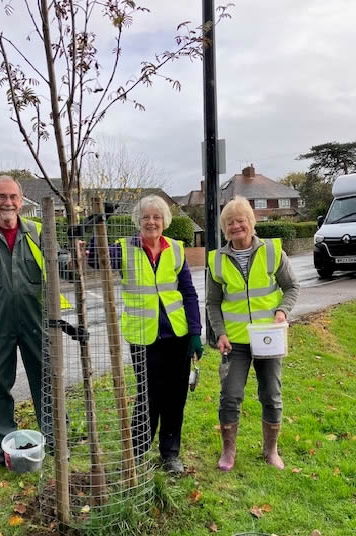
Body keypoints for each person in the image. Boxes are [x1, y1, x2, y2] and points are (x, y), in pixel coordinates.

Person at [0, 175, 74, 466]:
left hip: (36, 320)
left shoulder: (38, 231)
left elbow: (60, 261)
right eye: (2, 197)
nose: (8, 202)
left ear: (22, 202)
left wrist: (73, 260)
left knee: (47, 379)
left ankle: (57, 435)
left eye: (13, 197)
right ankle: (2, 443)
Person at [83, 195, 202, 474]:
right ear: (138, 221)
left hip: (177, 334)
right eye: (146, 217)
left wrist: (195, 332)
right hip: (143, 336)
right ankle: (138, 451)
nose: (151, 221)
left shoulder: (175, 249)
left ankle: (170, 454)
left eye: (157, 217)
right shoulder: (125, 248)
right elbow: (94, 259)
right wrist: (98, 225)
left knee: (176, 396)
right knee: (149, 395)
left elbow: (188, 293)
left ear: (164, 221)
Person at [207, 196, 299, 471]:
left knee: (271, 393)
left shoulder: (272, 252)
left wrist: (282, 311)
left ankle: (271, 450)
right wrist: (220, 333)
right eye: (230, 222)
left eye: (241, 220)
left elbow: (292, 287)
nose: (236, 226)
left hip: (268, 339)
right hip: (234, 342)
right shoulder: (217, 260)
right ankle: (228, 452)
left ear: (251, 222)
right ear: (225, 228)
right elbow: (212, 302)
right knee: (230, 395)